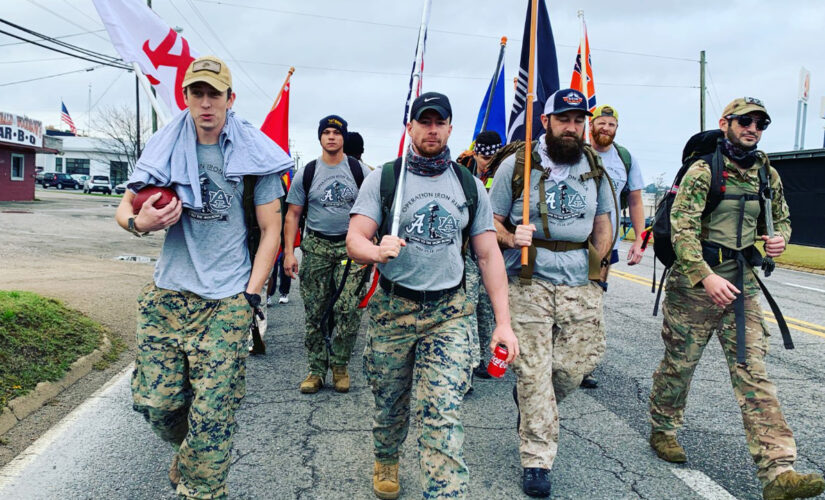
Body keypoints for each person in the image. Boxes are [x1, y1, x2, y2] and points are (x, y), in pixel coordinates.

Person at [115, 55, 290, 499]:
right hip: (167, 296)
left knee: (213, 418)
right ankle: (189, 453)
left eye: (215, 94)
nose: (206, 103)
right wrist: (141, 225)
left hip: (226, 302)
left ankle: (202, 479)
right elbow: (124, 209)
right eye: (198, 93)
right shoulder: (164, 146)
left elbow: (271, 232)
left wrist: (251, 296)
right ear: (187, 97)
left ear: (230, 99)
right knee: (157, 405)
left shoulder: (255, 155)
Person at [648, 97, 825, 500]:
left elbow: (781, 217)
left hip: (741, 286)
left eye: (761, 124)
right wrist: (704, 277)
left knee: (753, 372)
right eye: (746, 121)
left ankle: (778, 470)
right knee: (679, 366)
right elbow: (682, 230)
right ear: (725, 122)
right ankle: (663, 428)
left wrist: (781, 239)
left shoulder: (766, 172)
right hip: (695, 286)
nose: (753, 129)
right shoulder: (701, 171)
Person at [347, 91, 518, 500]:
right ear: (410, 128)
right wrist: (375, 251)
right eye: (424, 122)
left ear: (450, 129)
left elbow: (488, 254)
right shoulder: (386, 178)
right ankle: (386, 456)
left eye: (439, 122)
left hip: (449, 313)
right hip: (393, 309)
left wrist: (504, 324)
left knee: (442, 412)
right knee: (389, 401)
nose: (432, 129)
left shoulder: (468, 184)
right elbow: (355, 238)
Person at [488, 88, 613, 498]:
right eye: (564, 119)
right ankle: (537, 458)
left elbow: (603, 220)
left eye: (579, 120)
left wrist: (600, 260)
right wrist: (510, 236)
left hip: (580, 280)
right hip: (530, 279)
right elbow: (490, 224)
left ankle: (529, 401)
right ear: (547, 122)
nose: (572, 127)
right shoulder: (518, 165)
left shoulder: (595, 164)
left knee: (574, 368)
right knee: (534, 370)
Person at [283, 115, 371, 394]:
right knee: (316, 312)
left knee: (347, 309)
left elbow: (373, 209)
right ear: (320, 137)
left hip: (350, 249)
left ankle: (341, 366)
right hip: (317, 248)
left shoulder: (360, 172)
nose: (331, 137)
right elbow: (292, 215)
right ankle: (316, 370)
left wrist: (372, 248)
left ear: (344, 138)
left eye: (337, 132)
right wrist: (288, 253)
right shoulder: (307, 173)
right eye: (327, 132)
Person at [580, 104, 645, 389]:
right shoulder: (577, 152)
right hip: (572, 240)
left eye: (611, 125)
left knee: (592, 301)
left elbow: (635, 200)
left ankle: (584, 364)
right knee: (564, 297)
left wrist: (640, 238)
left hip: (605, 244)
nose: (606, 129)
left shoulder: (625, 158)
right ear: (591, 125)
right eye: (601, 123)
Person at [457, 130, 502, 382]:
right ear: (476, 153)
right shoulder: (463, 171)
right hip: (467, 250)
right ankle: (469, 365)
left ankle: (482, 357)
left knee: (487, 309)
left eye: (493, 157)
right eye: (485, 157)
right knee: (469, 307)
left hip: (495, 249)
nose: (489, 162)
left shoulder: (506, 171)